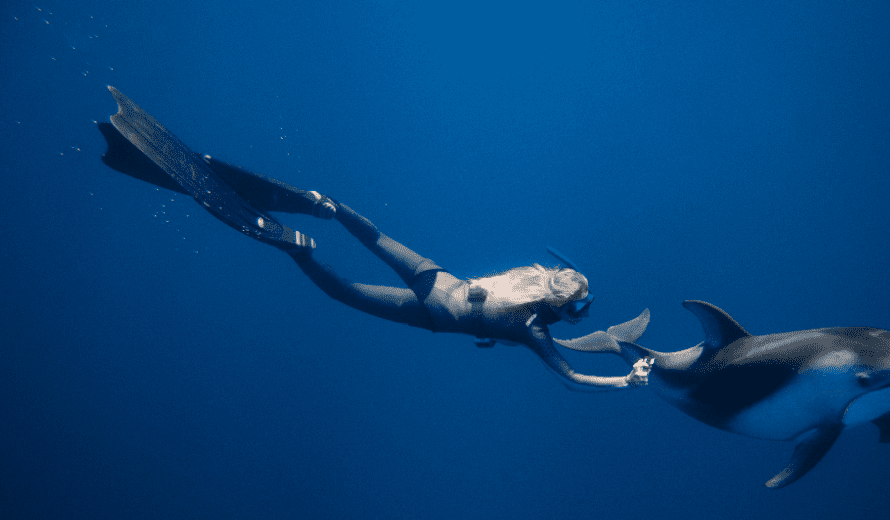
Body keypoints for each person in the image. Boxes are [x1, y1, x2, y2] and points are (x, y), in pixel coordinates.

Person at [99, 86, 651, 391]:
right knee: (340, 291)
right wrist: (623, 382)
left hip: (437, 275)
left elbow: (541, 287)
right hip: (433, 313)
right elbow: (573, 378)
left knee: (375, 232)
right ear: (563, 308)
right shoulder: (535, 331)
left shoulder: (531, 273)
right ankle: (297, 247)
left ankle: (325, 206)